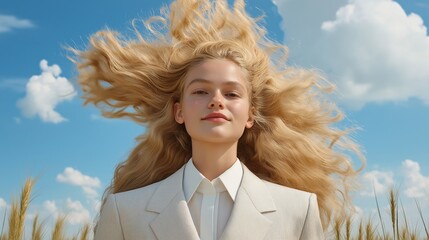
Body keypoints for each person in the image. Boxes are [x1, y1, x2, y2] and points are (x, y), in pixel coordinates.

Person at [72, 0, 363, 239]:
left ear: (251, 115)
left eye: (232, 94)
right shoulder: (124, 212)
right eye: (200, 90)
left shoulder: (299, 210)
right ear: (179, 112)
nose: (216, 100)